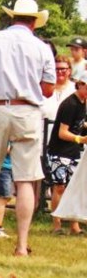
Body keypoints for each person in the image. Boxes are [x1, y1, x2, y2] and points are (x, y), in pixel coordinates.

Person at [0, 0, 56, 257]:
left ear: (12, 17)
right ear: (34, 22)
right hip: (27, 109)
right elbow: (48, 89)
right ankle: (21, 245)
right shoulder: (41, 47)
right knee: (25, 179)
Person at [45, 72, 87, 234]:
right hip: (59, 151)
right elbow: (62, 132)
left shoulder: (83, 103)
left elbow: (79, 123)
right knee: (59, 187)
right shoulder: (70, 104)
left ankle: (74, 225)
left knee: (72, 187)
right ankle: (57, 224)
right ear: (81, 84)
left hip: (73, 152)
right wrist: (80, 139)